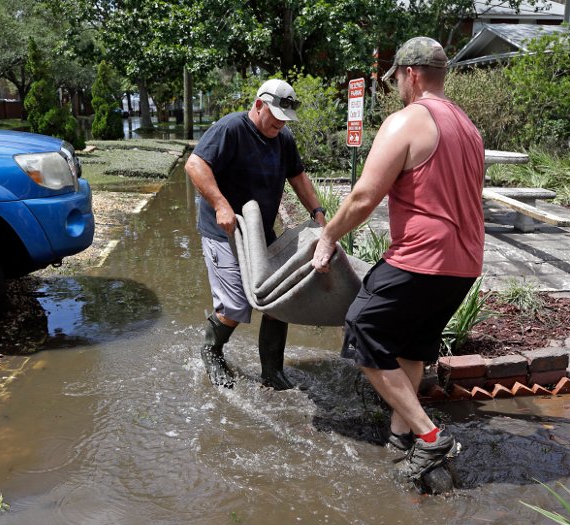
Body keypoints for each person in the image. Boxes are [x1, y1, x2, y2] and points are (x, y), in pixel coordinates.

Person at [311, 37, 485, 482]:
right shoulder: (468, 127)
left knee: (364, 328)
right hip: (464, 264)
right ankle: (400, 438)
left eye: (397, 82)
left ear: (410, 74)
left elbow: (366, 195)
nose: (396, 90)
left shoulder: (406, 121)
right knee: (410, 344)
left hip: (421, 258)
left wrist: (328, 236)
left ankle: (430, 436)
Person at [185, 78, 326, 390]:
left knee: (279, 296)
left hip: (259, 232)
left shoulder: (283, 138)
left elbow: (298, 177)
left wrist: (318, 213)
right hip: (223, 230)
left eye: (284, 120)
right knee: (236, 304)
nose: (279, 124)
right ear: (259, 104)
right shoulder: (231, 128)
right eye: (275, 116)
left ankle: (272, 371)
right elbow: (195, 165)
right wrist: (220, 204)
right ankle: (211, 350)